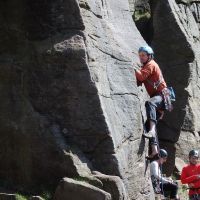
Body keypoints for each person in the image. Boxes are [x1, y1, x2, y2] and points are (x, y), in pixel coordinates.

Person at [135, 46, 168, 158]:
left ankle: (152, 130)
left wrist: (133, 69)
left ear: (149, 56)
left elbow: (141, 76)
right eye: (140, 55)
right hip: (158, 97)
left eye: (143, 55)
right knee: (148, 125)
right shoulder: (146, 65)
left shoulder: (151, 64)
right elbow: (140, 79)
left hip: (161, 96)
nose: (141, 57)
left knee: (150, 103)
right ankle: (154, 150)